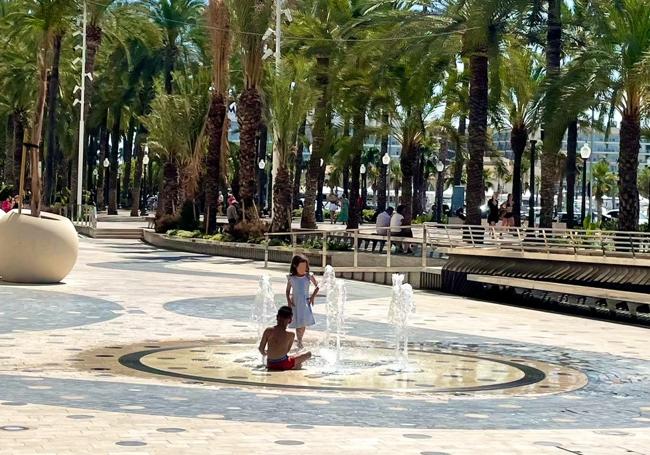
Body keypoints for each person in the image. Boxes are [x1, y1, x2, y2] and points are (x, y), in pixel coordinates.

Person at [259, 306, 312, 371]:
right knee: (308, 354)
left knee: (294, 361)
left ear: (277, 317)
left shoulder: (268, 331)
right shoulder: (291, 335)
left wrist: (267, 354)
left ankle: (294, 365)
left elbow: (261, 349)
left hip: (270, 364)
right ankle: (295, 366)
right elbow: (286, 351)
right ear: (290, 320)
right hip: (283, 364)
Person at [286, 254, 319, 350]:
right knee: (297, 320)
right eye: (301, 267)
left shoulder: (308, 276)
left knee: (303, 321)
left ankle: (300, 339)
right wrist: (288, 300)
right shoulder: (291, 278)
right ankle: (299, 340)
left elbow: (318, 286)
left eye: (305, 267)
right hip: (295, 302)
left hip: (305, 302)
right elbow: (288, 290)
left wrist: (312, 297)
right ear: (295, 266)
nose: (303, 269)